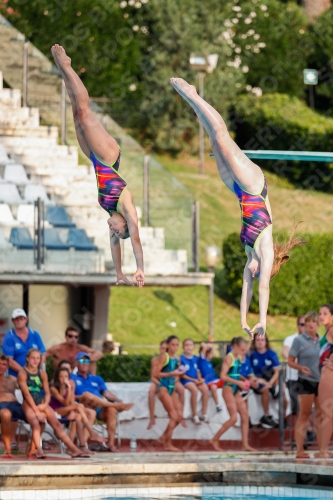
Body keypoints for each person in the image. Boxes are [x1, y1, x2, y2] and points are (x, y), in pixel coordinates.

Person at [170, 78, 305, 337]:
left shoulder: (247, 253)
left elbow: (247, 290)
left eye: (251, 275)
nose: (252, 275)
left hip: (238, 191)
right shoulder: (264, 253)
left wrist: (244, 319)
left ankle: (191, 101)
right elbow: (262, 288)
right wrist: (263, 321)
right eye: (256, 275)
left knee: (213, 139)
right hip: (254, 186)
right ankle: (193, 94)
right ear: (269, 269)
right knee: (222, 138)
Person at [51, 44, 144, 288]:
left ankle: (64, 73)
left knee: (75, 112)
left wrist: (119, 273)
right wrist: (140, 268)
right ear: (123, 224)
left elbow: (115, 245)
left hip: (94, 159)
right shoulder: (126, 206)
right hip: (108, 156)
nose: (110, 229)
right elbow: (134, 239)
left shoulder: (109, 211)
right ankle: (67, 66)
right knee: (84, 111)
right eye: (116, 230)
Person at [18, 348, 90, 458]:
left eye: (38, 358)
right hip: (28, 404)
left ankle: (74, 450)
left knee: (57, 425)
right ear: (27, 359)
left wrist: (44, 404)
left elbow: (47, 393)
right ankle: (39, 451)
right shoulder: (22, 373)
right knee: (36, 423)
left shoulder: (42, 373)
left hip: (41, 402)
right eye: (33, 358)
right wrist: (36, 410)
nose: (35, 360)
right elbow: (27, 394)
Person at [71, 352, 133, 452]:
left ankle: (111, 444)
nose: (85, 363)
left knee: (111, 409)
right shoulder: (72, 377)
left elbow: (107, 394)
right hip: (83, 406)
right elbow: (68, 396)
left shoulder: (97, 379)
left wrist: (117, 399)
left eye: (87, 361)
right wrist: (82, 396)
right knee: (87, 395)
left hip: (99, 408)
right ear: (76, 364)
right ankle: (117, 405)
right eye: (82, 360)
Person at [210, 337, 255, 452]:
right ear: (235, 346)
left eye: (245, 350)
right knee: (234, 418)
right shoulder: (228, 358)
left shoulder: (238, 357)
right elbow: (223, 376)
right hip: (229, 388)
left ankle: (244, 444)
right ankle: (215, 439)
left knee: (245, 416)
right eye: (242, 349)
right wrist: (238, 382)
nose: (244, 352)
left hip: (236, 389)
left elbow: (236, 373)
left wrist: (246, 381)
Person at [287, 311, 320, 459]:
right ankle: (300, 449)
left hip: (322, 381)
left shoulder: (324, 340)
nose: (311, 324)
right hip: (305, 381)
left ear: (318, 324)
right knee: (304, 414)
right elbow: (290, 361)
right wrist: (300, 368)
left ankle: (322, 449)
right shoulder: (299, 340)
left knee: (321, 415)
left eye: (313, 321)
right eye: (308, 322)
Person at [50, 366, 106, 451]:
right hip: (56, 411)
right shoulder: (54, 388)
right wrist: (69, 389)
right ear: (57, 378)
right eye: (61, 376)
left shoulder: (71, 384)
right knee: (79, 406)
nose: (63, 379)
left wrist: (73, 411)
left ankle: (82, 446)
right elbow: (64, 403)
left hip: (67, 410)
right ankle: (92, 433)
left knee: (78, 417)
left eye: (66, 376)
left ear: (69, 377)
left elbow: (71, 402)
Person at [152, 335, 184, 451]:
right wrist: (171, 374)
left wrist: (179, 373)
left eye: (177, 345)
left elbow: (176, 373)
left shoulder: (177, 358)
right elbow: (156, 374)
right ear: (168, 345)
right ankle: (167, 444)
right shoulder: (164, 357)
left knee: (179, 417)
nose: (175, 347)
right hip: (164, 388)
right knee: (174, 416)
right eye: (173, 345)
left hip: (172, 388)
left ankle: (163, 437)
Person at [0, 354, 35, 458]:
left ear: (7, 367)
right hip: (1, 406)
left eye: (4, 364)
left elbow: (25, 385)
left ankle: (32, 449)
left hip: (15, 405)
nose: (1, 366)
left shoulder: (11, 379)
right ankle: (7, 449)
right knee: (6, 414)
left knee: (37, 416)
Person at [249, 333, 285, 428]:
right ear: (254, 342)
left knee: (283, 389)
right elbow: (248, 372)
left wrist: (270, 383)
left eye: (262, 340)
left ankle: (283, 417)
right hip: (258, 380)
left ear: (266, 342)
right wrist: (258, 380)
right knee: (264, 389)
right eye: (258, 340)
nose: (260, 342)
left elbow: (277, 371)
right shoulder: (251, 354)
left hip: (270, 379)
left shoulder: (271, 354)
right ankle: (266, 415)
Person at [147, 340, 186, 430]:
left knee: (180, 389)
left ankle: (181, 414)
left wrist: (174, 379)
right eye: (162, 348)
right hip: (158, 381)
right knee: (151, 391)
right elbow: (153, 376)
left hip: (169, 381)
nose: (164, 350)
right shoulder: (156, 360)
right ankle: (152, 418)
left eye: (165, 348)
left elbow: (176, 373)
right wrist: (161, 383)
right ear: (160, 349)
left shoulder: (174, 358)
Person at [2, 309, 46, 377]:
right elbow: (9, 361)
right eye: (16, 319)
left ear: (26, 319)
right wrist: (26, 373)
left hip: (36, 376)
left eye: (21, 318)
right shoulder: (8, 337)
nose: (19, 320)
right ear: (12, 321)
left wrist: (35, 371)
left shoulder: (35, 334)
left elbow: (43, 354)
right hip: (16, 378)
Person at [316, 304, 333, 458]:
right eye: (320, 313)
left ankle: (323, 451)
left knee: (327, 414)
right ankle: (322, 449)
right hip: (325, 374)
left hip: (329, 375)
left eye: (325, 313)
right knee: (323, 414)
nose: (321, 316)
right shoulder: (327, 331)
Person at [180, 338, 209, 424]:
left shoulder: (196, 358)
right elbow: (181, 374)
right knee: (194, 390)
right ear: (183, 347)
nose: (189, 347)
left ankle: (204, 413)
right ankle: (194, 415)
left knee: (205, 389)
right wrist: (193, 380)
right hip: (187, 380)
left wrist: (199, 378)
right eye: (186, 345)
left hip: (196, 380)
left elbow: (198, 371)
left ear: (194, 347)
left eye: (190, 345)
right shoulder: (181, 358)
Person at [282, 315, 306, 416]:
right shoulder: (290, 339)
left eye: (306, 324)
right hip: (293, 377)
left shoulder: (314, 340)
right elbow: (285, 351)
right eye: (301, 324)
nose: (304, 327)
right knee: (296, 406)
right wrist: (293, 362)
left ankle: (308, 429)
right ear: (297, 325)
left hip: (308, 376)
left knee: (306, 405)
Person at [198, 343, 223, 412]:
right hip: (209, 382)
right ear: (207, 353)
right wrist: (208, 346)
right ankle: (218, 405)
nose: (212, 355)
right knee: (213, 387)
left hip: (216, 380)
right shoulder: (202, 361)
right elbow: (203, 345)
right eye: (211, 353)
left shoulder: (209, 362)